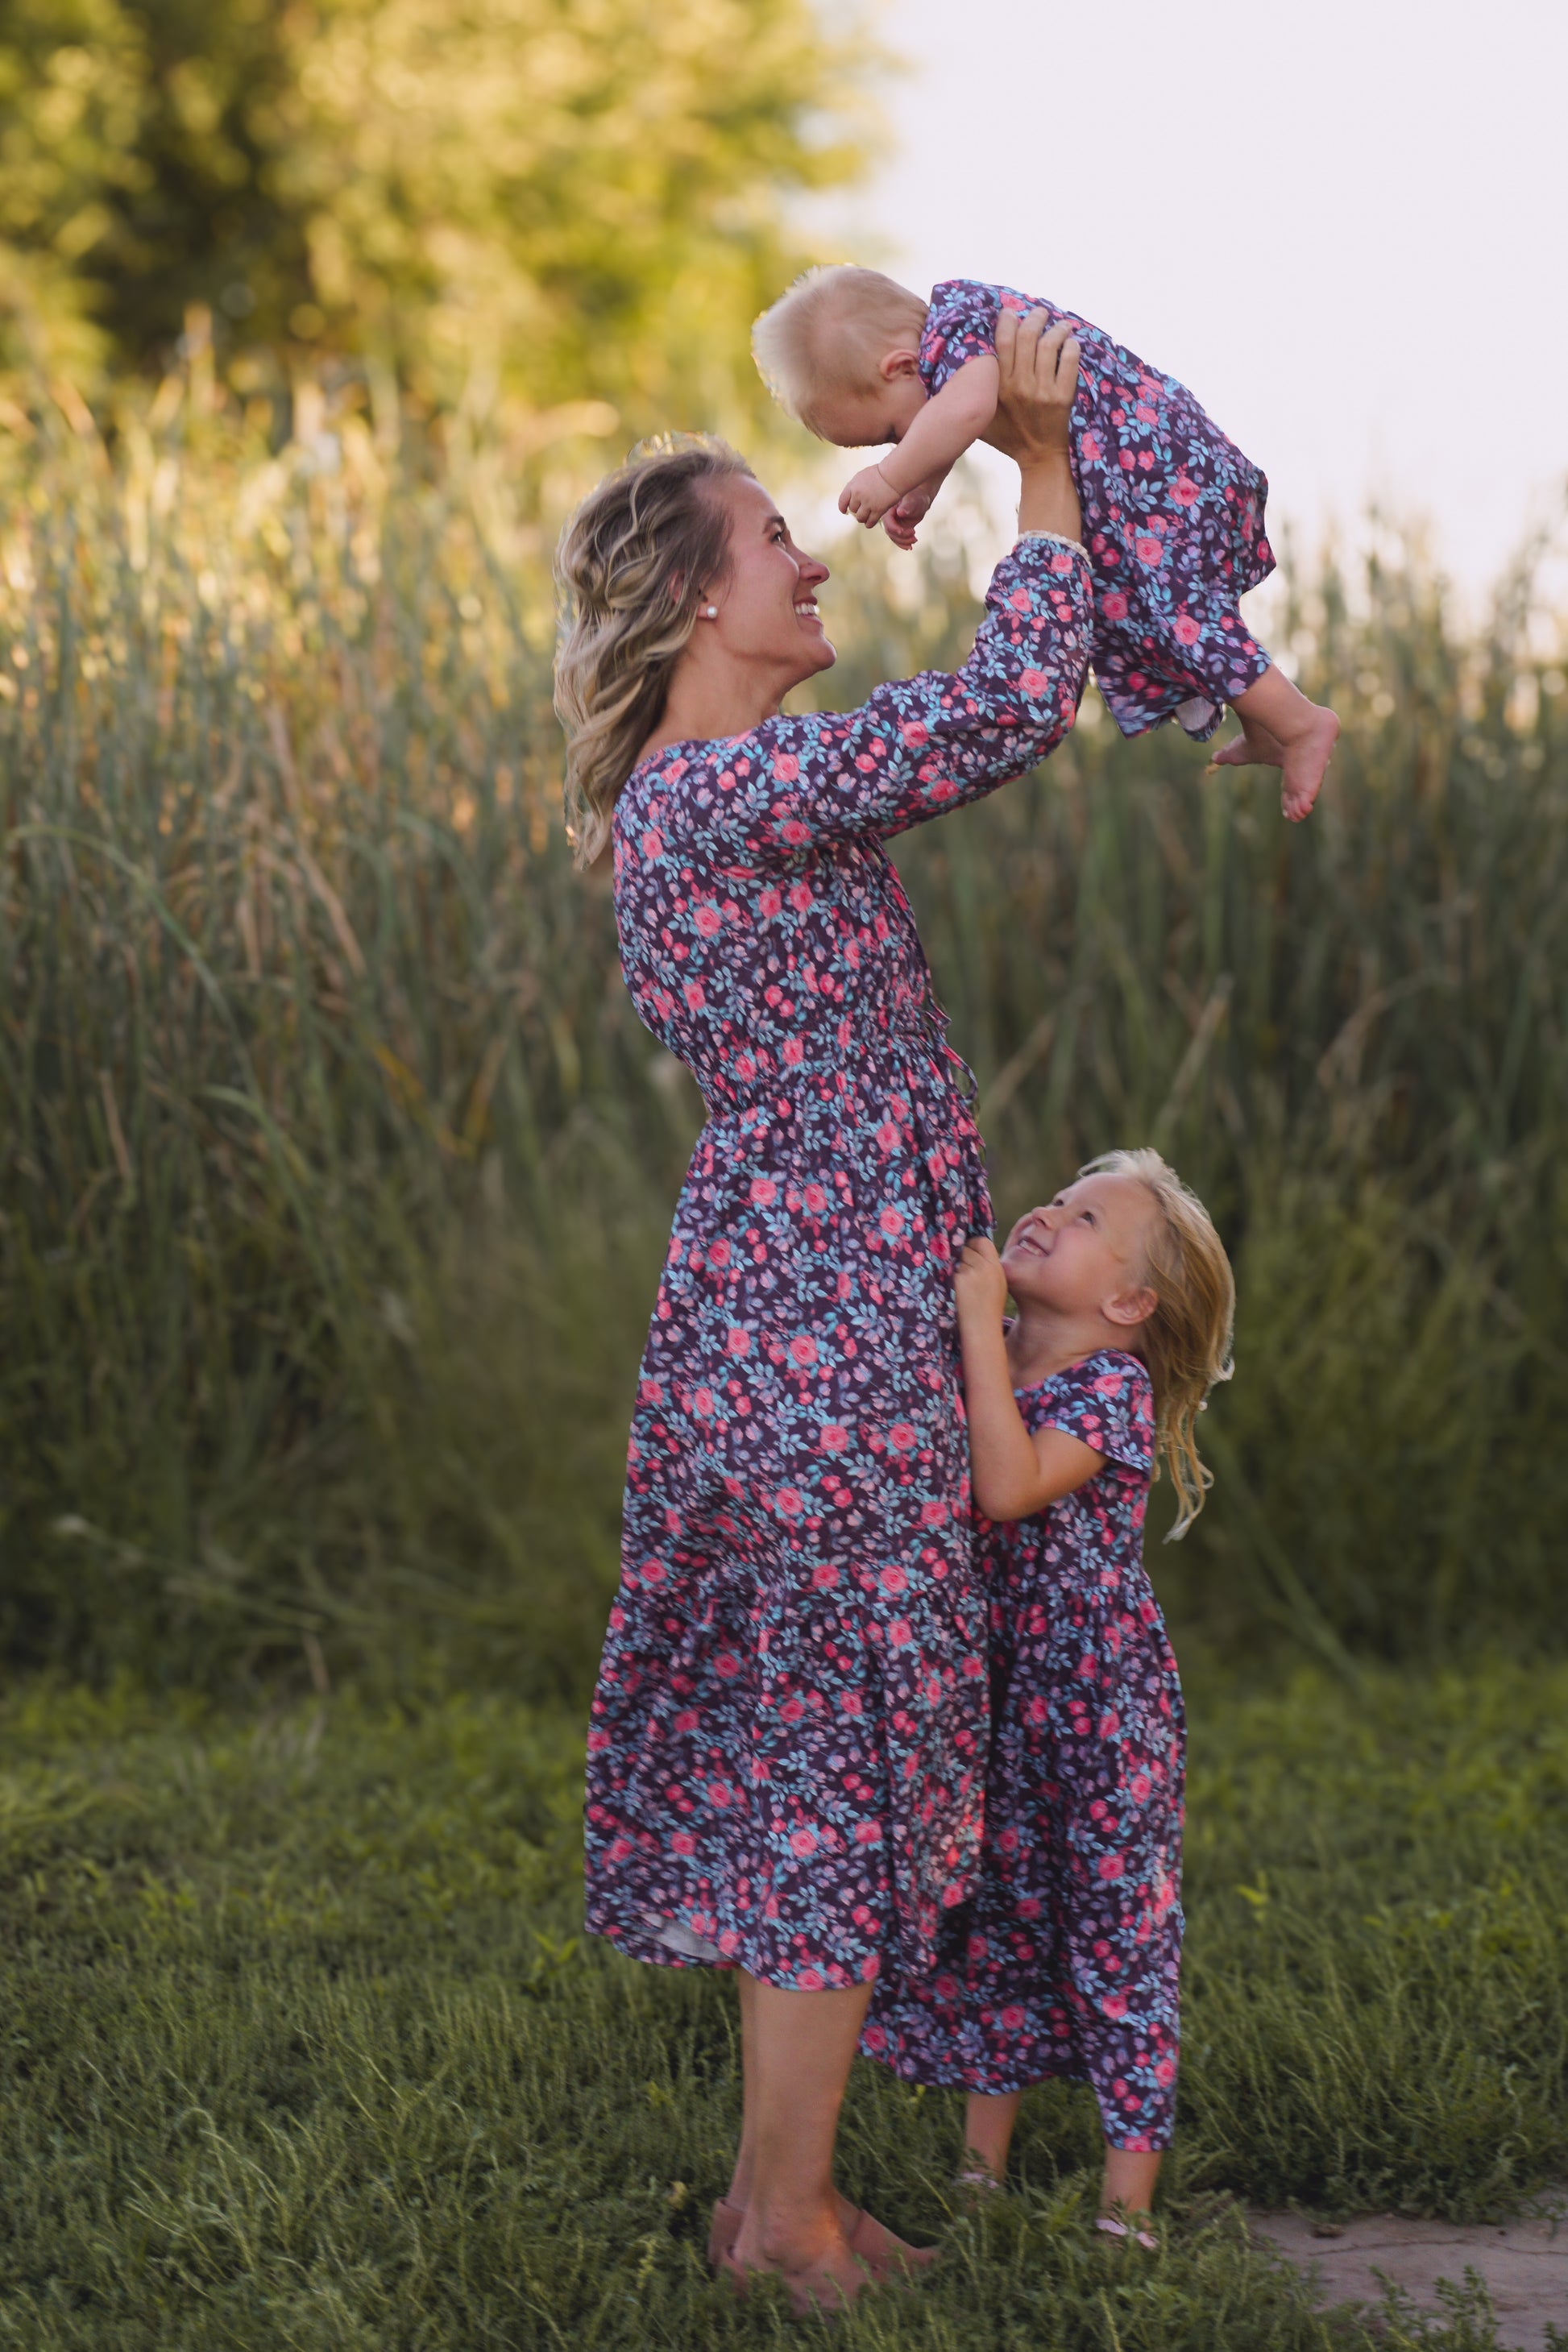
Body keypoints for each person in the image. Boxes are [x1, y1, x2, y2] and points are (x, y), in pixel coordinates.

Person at [552, 311, 1090, 2316]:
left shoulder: (732, 799)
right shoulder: (721, 797)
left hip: (819, 1315)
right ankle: (781, 2225)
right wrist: (1030, 454)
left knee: (835, 1764)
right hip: (822, 1333)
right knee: (833, 1771)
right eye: (770, 531)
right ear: (700, 593)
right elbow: (1002, 707)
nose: (808, 552)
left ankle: (794, 2203)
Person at [861, 1149, 1235, 2246]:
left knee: (1116, 1926)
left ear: (1126, 1302)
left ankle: (1126, 2209)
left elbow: (1009, 1484)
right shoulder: (994, 1355)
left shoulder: (1107, 1386)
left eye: (1081, 1217)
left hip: (1096, 1703)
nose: (1044, 1211)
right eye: (1058, 1195)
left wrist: (979, 1324)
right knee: (999, 1921)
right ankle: (981, 2172)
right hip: (994, 1693)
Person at [753, 265, 1339, 822]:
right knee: (1126, 605)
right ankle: (1264, 719)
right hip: (1136, 486)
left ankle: (1300, 721)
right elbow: (947, 418)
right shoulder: (948, 354)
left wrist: (889, 476)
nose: (899, 447)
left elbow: (966, 409)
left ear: (900, 366)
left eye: (888, 435)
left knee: (1179, 613)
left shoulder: (956, 325)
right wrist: (920, 489)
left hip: (1164, 475)